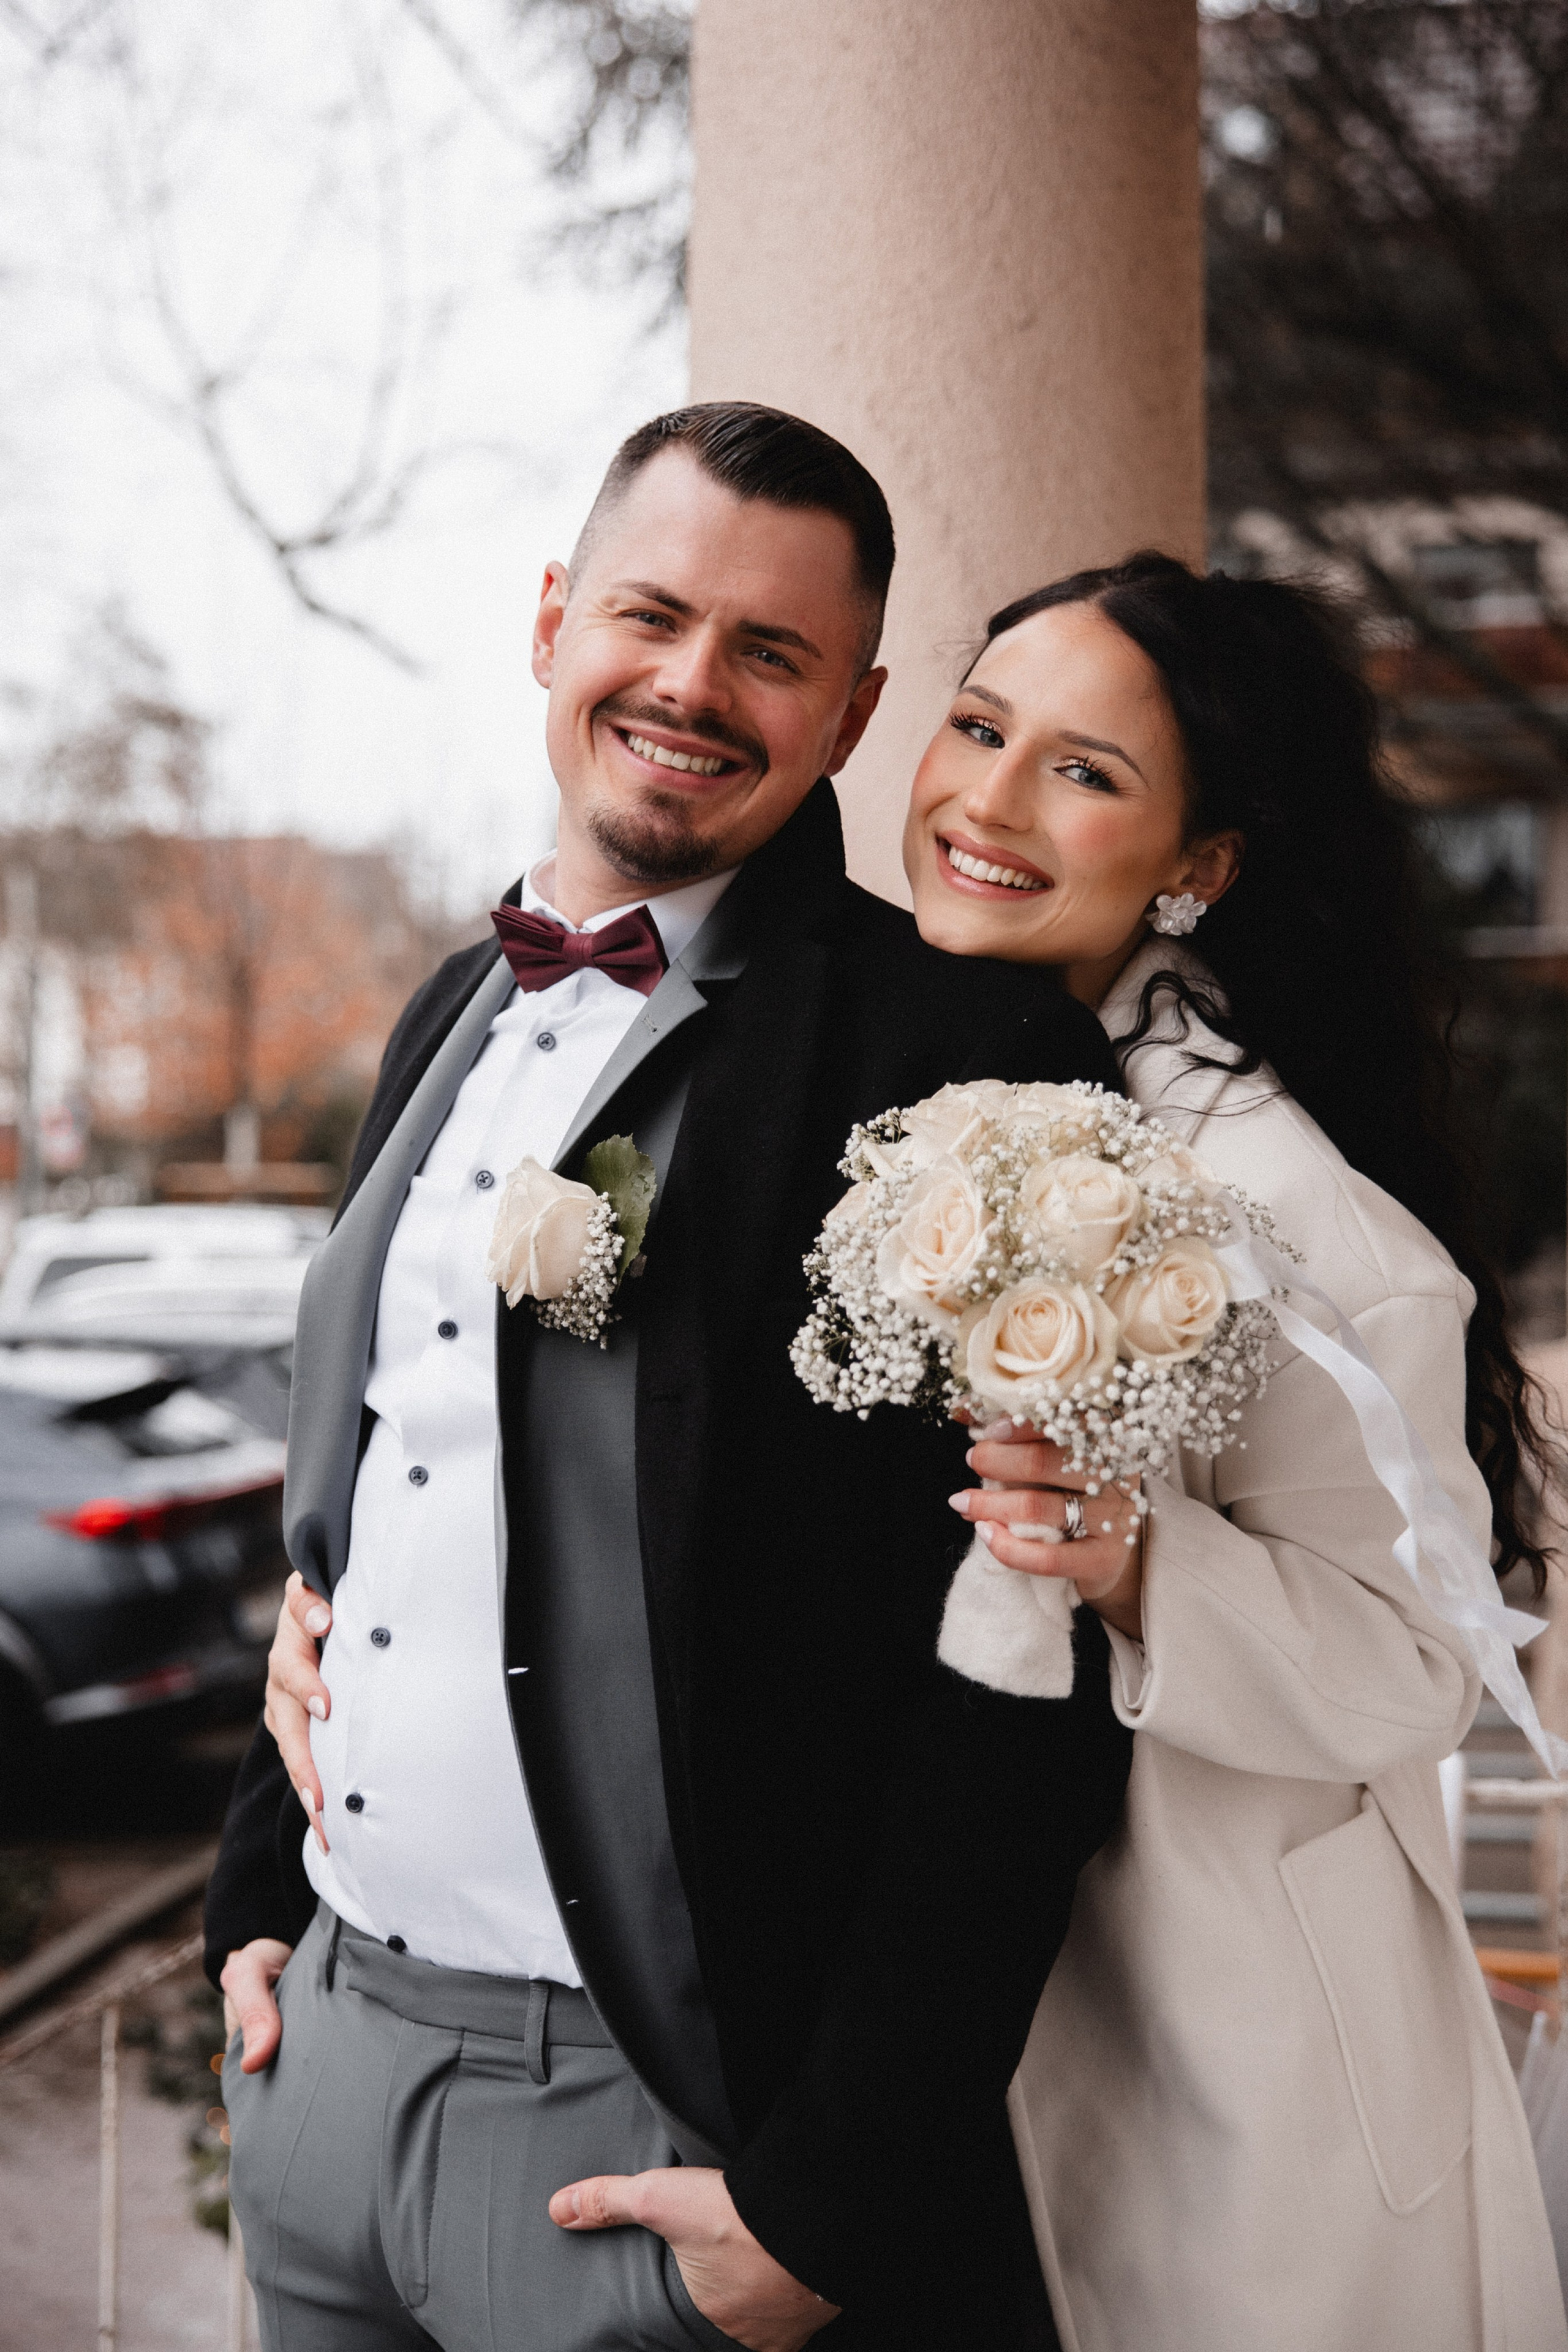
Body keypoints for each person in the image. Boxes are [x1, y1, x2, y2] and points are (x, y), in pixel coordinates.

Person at [206, 402, 1134, 2352]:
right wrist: (250, 1911)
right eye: (653, 614)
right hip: (326, 2074)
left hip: (665, 2140)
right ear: (555, 620)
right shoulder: (458, 1009)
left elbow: (1026, 1695)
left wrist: (829, 2200)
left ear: (854, 707)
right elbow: (418, 1476)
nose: (694, 685)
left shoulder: (961, 1065)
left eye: (772, 653)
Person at [902, 551, 1568, 2350]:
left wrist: (1133, 1561)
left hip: (1237, 2054)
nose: (989, 797)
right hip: (944, 2026)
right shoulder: (908, 1103)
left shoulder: (1305, 1229)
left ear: (1199, 868)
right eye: (979, 728)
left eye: (1086, 771)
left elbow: (1418, 1671)